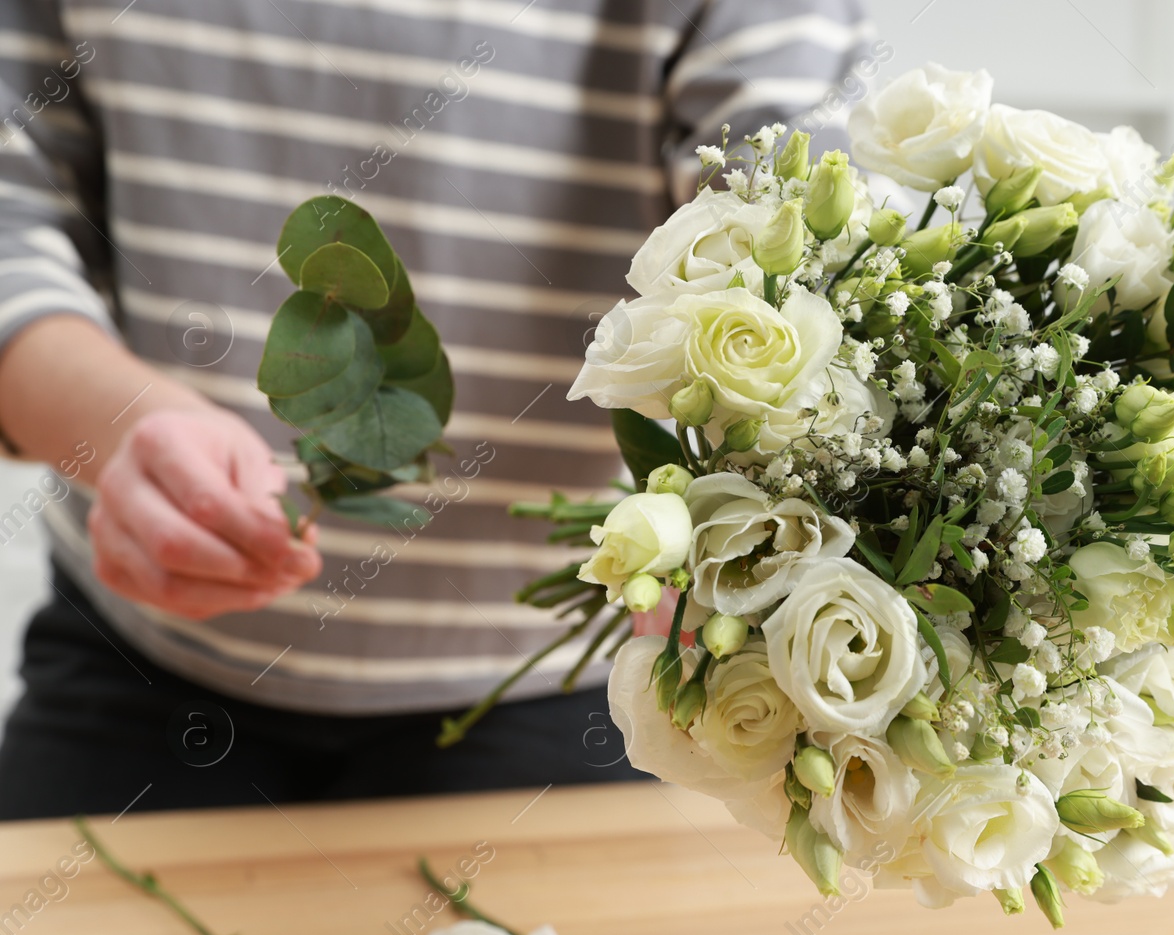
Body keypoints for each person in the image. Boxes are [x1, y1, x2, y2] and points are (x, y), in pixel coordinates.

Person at [0, 0, 873, 820]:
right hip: (141, 662)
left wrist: (736, 518)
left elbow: (791, 218)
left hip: (559, 685)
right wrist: (113, 424)